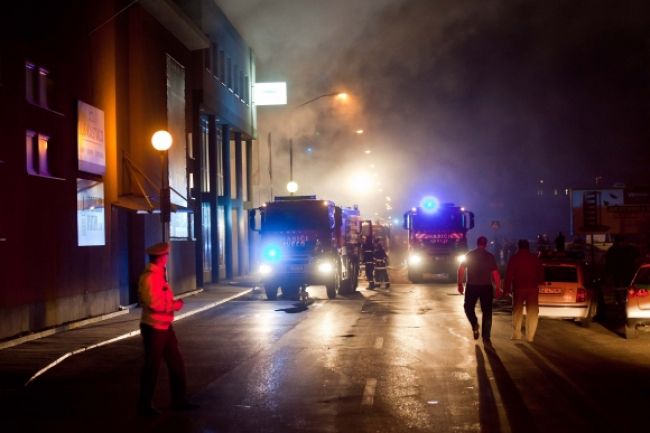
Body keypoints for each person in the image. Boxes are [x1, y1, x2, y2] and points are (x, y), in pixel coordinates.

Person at [137, 242, 197, 416]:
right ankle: (145, 406)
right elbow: (153, 303)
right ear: (161, 258)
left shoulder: (158, 276)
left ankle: (179, 400)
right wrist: (174, 305)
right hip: (154, 328)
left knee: (176, 364)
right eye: (165, 256)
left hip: (164, 327)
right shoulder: (150, 277)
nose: (167, 259)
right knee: (151, 367)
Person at [457, 236, 502, 345]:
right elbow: (495, 273)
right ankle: (486, 337)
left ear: (477, 243)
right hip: (486, 287)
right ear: (485, 244)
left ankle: (474, 324)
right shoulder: (490, 256)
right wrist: (497, 287)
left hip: (472, 286)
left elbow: (461, 269)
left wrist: (460, 283)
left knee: (468, 307)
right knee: (487, 312)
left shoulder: (469, 255)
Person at [503, 239, 544, 342]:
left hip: (518, 288)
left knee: (517, 311)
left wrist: (506, 289)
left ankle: (516, 334)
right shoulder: (534, 258)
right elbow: (540, 272)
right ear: (528, 247)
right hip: (532, 288)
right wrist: (540, 282)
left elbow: (509, 275)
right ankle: (530, 336)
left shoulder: (514, 258)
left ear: (518, 246)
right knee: (533, 313)